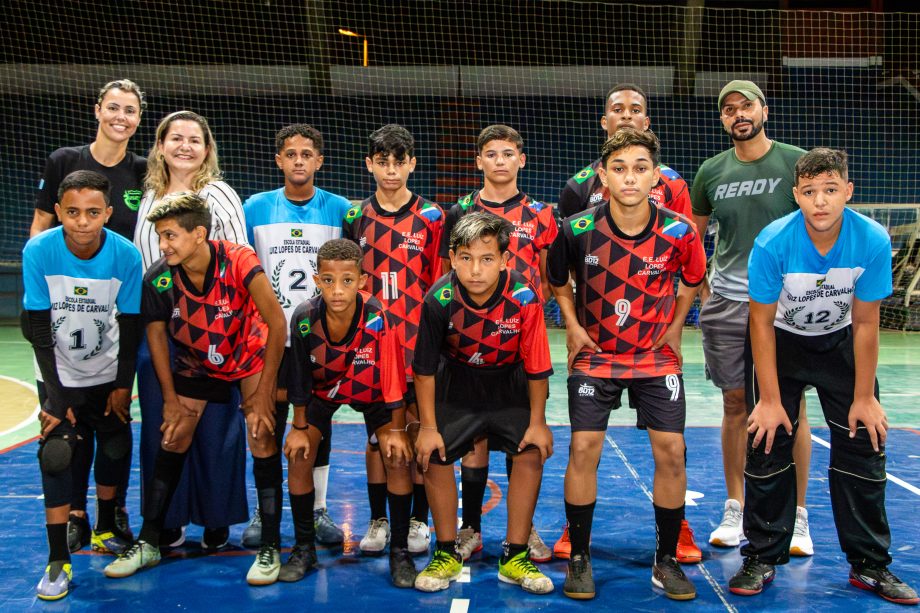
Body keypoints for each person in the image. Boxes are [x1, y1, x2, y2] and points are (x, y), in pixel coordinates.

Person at [730, 148, 918, 605]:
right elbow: (759, 323)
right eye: (810, 192)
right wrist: (771, 400)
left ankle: (870, 565)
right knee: (766, 441)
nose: (820, 201)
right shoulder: (773, 242)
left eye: (830, 190)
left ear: (848, 192)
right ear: (796, 195)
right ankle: (761, 556)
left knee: (865, 444)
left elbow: (868, 322)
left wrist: (864, 396)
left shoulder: (871, 240)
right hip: (781, 344)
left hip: (840, 344)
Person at [548, 128, 706, 601]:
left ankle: (667, 560)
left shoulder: (679, 230)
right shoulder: (577, 228)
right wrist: (573, 327)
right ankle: (579, 555)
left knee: (672, 452)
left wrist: (677, 325)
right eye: (619, 169)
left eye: (640, 168)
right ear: (603, 175)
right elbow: (558, 281)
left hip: (655, 356)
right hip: (596, 356)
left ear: (655, 176)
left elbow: (693, 279)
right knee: (583, 450)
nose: (630, 178)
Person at [104, 192, 287, 585]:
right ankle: (149, 540)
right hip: (195, 362)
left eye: (170, 236)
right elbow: (155, 340)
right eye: (160, 236)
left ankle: (271, 545)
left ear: (199, 233)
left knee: (261, 434)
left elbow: (277, 322)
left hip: (247, 355)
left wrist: (262, 392)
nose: (163, 244)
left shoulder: (240, 261)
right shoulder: (159, 277)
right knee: (174, 436)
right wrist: (170, 401)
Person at [690, 80, 813, 556]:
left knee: (791, 407)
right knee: (735, 404)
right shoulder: (711, 171)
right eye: (728, 109)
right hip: (727, 304)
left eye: (746, 106)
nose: (738, 114)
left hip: (786, 304)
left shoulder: (794, 162)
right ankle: (736, 507)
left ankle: (798, 517)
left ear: (763, 110)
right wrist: (703, 288)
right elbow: (694, 238)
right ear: (722, 120)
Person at [31, 80, 147, 550]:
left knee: (113, 428)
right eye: (113, 107)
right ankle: (74, 515)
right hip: (63, 308)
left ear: (139, 119)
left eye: (131, 110)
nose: (121, 116)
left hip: (117, 305)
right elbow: (41, 225)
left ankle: (110, 515)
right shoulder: (65, 160)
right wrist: (43, 274)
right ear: (98, 110)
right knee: (66, 426)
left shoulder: (143, 171)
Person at [414, 212, 554, 595]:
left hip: (509, 383)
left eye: (487, 258)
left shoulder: (525, 296)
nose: (475, 269)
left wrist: (538, 421)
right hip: (456, 383)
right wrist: (427, 428)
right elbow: (424, 371)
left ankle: (515, 555)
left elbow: (538, 364)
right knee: (436, 452)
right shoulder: (438, 299)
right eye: (466, 258)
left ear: (505, 260)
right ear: (452, 258)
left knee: (530, 449)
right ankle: (445, 551)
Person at [439, 124, 557, 563]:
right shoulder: (460, 210)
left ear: (521, 160)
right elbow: (444, 273)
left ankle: (519, 534)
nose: (500, 161)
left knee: (520, 435)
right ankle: (470, 528)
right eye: (491, 154)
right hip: (467, 342)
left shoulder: (542, 214)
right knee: (474, 439)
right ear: (479, 161)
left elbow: (548, 275)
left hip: (520, 339)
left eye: (509, 153)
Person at [22, 170, 143, 599]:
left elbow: (129, 326)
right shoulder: (39, 250)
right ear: (58, 212)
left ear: (108, 213)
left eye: (93, 212)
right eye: (72, 212)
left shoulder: (126, 255)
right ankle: (58, 559)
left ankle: (106, 525)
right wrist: (56, 398)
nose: (83, 222)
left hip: (107, 373)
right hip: (57, 373)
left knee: (114, 445)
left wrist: (122, 386)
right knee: (56, 454)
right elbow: (36, 328)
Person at [133, 110, 250, 551]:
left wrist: (235, 332)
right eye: (175, 138)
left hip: (215, 333)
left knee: (215, 429)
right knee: (164, 426)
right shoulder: (148, 197)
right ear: (160, 145)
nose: (185, 146)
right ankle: (168, 518)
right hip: (161, 331)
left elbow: (238, 259)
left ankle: (216, 519)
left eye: (194, 140)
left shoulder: (218, 194)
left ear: (207, 149)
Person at [284, 238, 417, 587]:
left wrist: (399, 433)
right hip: (322, 393)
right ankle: (303, 549)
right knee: (299, 454)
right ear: (317, 281)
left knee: (397, 456)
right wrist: (298, 427)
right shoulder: (303, 319)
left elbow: (392, 379)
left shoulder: (378, 318)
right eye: (328, 281)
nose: (337, 290)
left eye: (347, 280)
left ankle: (399, 551)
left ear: (361, 281)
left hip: (372, 392)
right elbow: (298, 379)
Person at [242, 124, 351, 550]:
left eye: (307, 154)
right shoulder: (255, 208)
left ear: (320, 161)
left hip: (318, 341)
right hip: (268, 340)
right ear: (279, 161)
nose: (299, 160)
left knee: (315, 426)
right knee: (265, 425)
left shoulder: (340, 210)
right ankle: (263, 511)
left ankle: (318, 508)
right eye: (291, 154)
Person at [343, 124, 443, 557]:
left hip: (419, 346)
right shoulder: (354, 217)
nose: (390, 170)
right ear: (369, 164)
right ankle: (378, 519)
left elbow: (442, 284)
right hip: (374, 347)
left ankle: (418, 520)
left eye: (398, 161)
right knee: (377, 437)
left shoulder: (433, 217)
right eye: (382, 161)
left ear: (412, 164)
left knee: (419, 433)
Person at [557, 82, 692, 219]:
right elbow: (570, 238)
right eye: (617, 110)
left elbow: (684, 237)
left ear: (646, 123)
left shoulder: (674, 184)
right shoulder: (577, 187)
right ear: (604, 122)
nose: (627, 116)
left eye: (635, 111)